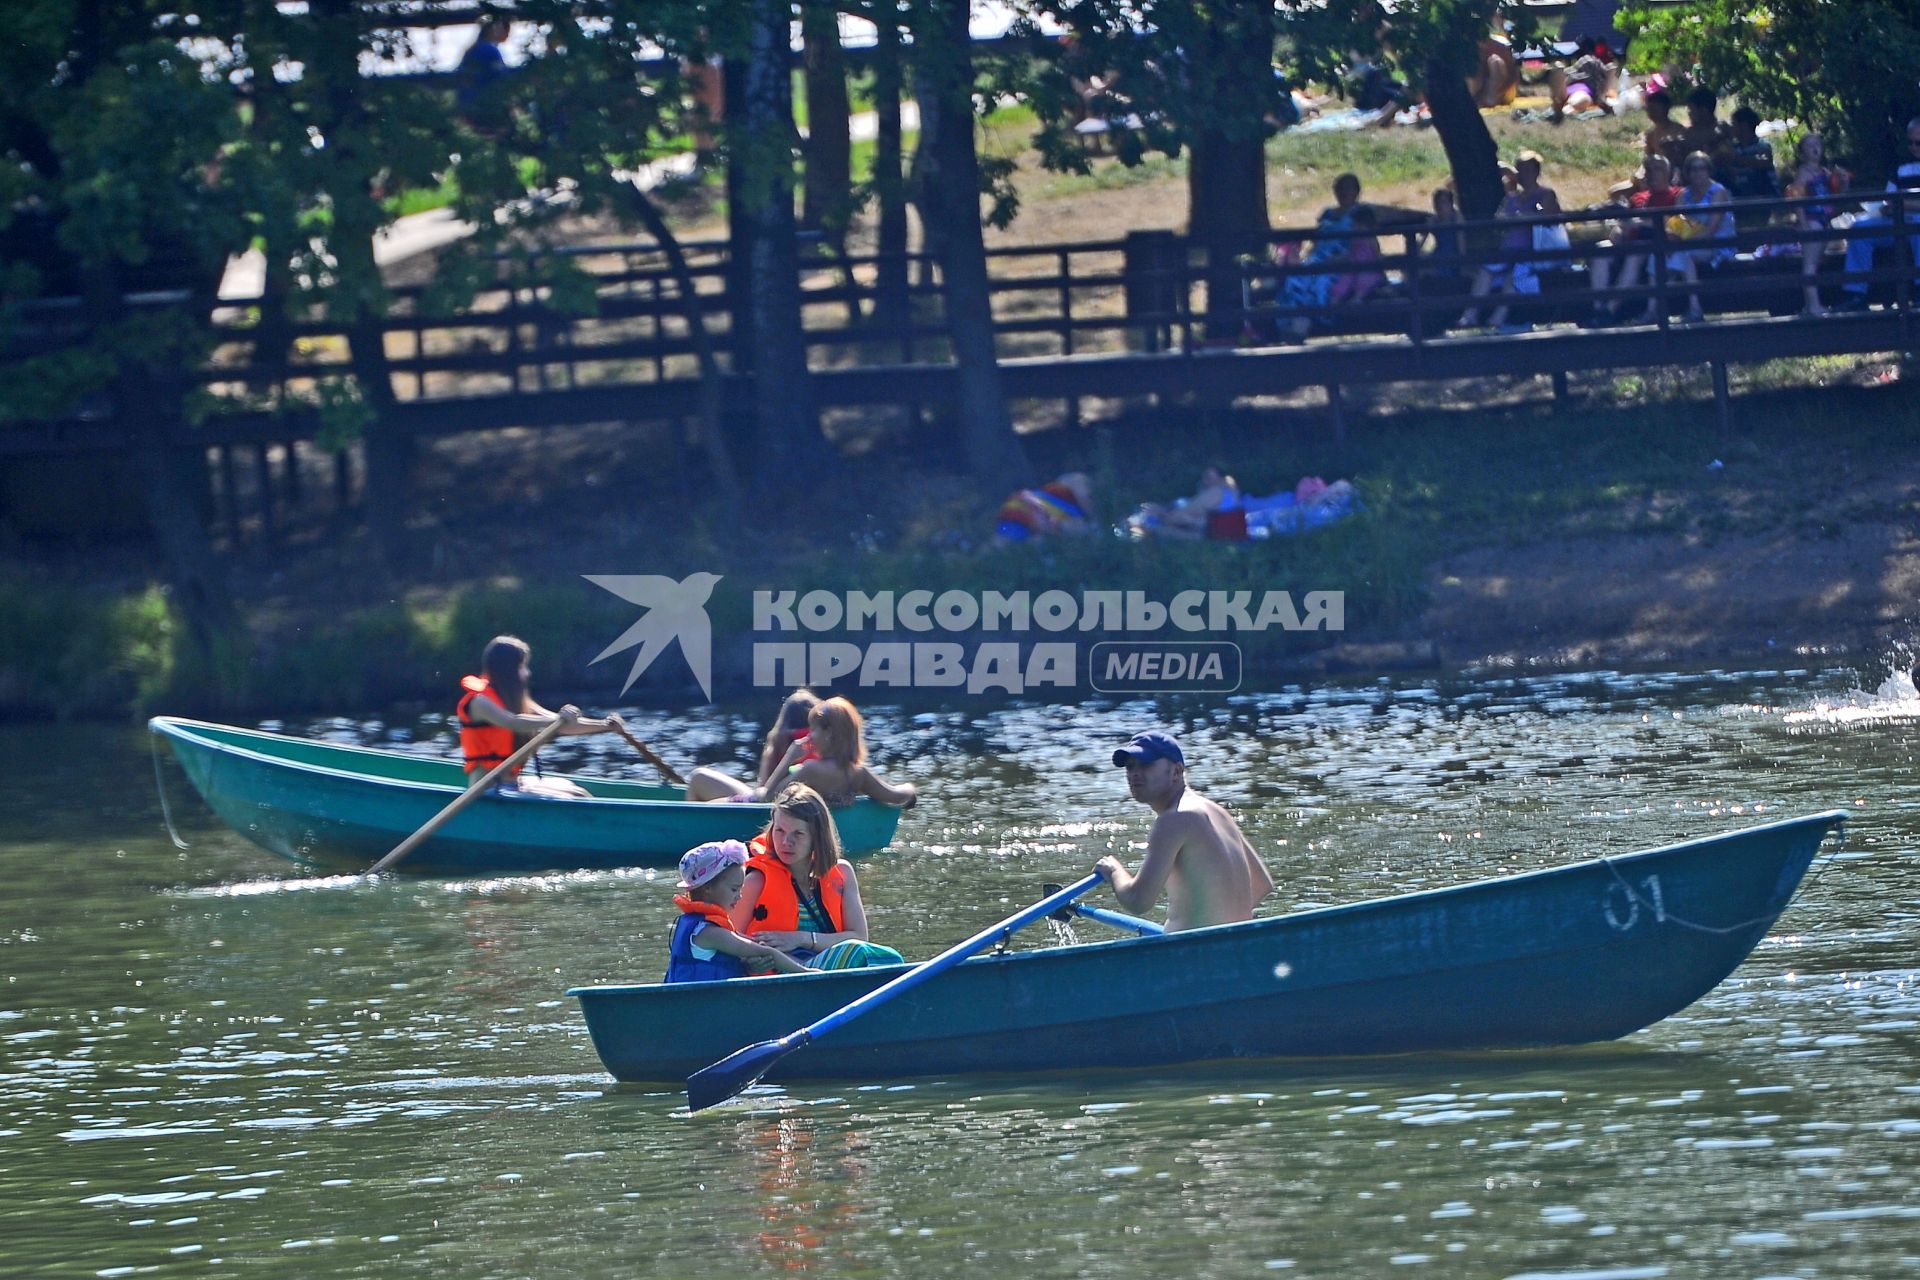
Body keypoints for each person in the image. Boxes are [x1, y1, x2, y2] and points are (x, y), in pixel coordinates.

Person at [1093, 731, 1275, 933]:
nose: (1134, 773)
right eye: (1130, 766)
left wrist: (1113, 871)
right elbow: (1261, 884)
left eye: (1145, 765)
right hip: (1237, 946)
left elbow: (1138, 901)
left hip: (1194, 955)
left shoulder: (1173, 820)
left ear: (1177, 772)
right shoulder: (1216, 811)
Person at [733, 785, 904, 970]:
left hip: (829, 968)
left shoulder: (843, 873)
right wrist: (751, 962)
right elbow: (730, 938)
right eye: (779, 831)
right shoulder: (756, 881)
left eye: (798, 834)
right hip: (779, 976)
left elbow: (859, 936)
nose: (785, 842)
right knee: (859, 953)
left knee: (891, 958)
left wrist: (801, 939)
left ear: (817, 837)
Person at [455, 635, 626, 798]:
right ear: (507, 669)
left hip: (512, 784)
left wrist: (605, 725)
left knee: (576, 790)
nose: (527, 673)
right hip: (487, 789)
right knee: (574, 798)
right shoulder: (479, 702)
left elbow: (564, 725)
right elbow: (512, 722)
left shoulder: (519, 701)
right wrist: (557, 720)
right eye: (523, 667)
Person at [693, 695, 918, 810]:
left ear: (829, 733)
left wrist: (791, 755)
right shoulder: (859, 774)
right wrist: (911, 791)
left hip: (751, 802)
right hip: (761, 801)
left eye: (813, 730)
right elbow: (896, 796)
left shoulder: (811, 769)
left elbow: (768, 796)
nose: (809, 736)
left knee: (697, 787)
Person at [665, 840, 811, 983]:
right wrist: (811, 974)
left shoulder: (697, 924)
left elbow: (754, 944)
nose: (740, 896)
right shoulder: (709, 933)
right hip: (703, 1003)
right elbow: (767, 953)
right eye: (734, 889)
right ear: (707, 888)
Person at [1457, 151, 1562, 334]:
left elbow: (1546, 215)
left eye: (1528, 170)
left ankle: (1496, 320)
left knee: (1513, 276)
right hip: (1508, 251)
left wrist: (1523, 216)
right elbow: (1499, 219)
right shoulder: (1511, 198)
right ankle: (1470, 315)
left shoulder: (1545, 194)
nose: (1524, 175)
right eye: (1520, 170)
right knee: (1485, 272)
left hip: (1533, 252)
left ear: (1537, 172)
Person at [1836, 116, 1920, 313]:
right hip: (1896, 221)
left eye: (1919, 142)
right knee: (1859, 230)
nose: (1914, 147)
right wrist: (1891, 207)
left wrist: (1903, 205)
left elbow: (1899, 202)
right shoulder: (1901, 169)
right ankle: (1856, 293)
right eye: (1911, 142)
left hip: (1914, 224)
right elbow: (1889, 199)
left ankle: (1918, 291)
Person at [1587, 153, 1680, 326]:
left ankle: (1610, 310)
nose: (1653, 173)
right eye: (1649, 169)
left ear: (1668, 172)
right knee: (1601, 249)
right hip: (1630, 242)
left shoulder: (1677, 195)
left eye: (1658, 169)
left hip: (1658, 245)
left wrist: (1640, 223)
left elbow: (1673, 223)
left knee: (1635, 253)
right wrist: (1619, 230)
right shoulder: (1637, 198)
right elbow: (1624, 224)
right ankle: (1598, 308)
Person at [683, 688, 820, 802]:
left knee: (698, 777)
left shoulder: (779, 738)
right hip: (798, 803)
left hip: (769, 805)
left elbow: (764, 789)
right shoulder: (822, 743)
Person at [1666, 150, 1734, 323]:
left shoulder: (1718, 192)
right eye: (1693, 169)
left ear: (1708, 170)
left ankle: (1693, 307)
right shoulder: (1683, 195)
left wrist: (1685, 241)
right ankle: (1659, 304)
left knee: (1684, 255)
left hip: (1718, 244)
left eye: (1702, 168)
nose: (1698, 173)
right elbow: (1677, 226)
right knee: (1661, 256)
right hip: (1689, 244)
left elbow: (1712, 229)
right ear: (1687, 173)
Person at [1786, 132, 1846, 316]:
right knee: (1810, 265)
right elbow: (1797, 199)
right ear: (1802, 152)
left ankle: (1811, 305)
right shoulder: (1803, 173)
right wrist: (1803, 224)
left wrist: (1843, 181)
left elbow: (1838, 195)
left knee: (1817, 264)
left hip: (1824, 220)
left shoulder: (1825, 172)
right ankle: (1813, 306)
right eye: (1810, 145)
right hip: (1811, 222)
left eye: (1817, 144)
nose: (1815, 148)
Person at [1720, 106, 1780, 229]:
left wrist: (1735, 159)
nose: (1732, 128)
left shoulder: (1763, 146)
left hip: (1762, 195)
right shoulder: (1731, 148)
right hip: (1738, 194)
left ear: (1744, 126)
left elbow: (1763, 162)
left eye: (1734, 124)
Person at [456, 11, 514, 136]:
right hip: (484, 108)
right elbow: (501, 80)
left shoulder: (472, 50)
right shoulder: (489, 50)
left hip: (469, 107)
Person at [1663, 87, 1728, 175]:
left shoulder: (1722, 129)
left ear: (1704, 110)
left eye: (1691, 109)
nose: (1689, 113)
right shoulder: (1687, 133)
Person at [1639, 90, 1684, 167]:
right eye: (1649, 108)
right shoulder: (1650, 135)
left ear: (1666, 108)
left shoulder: (1680, 130)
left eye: (1654, 108)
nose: (1651, 112)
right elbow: (1648, 160)